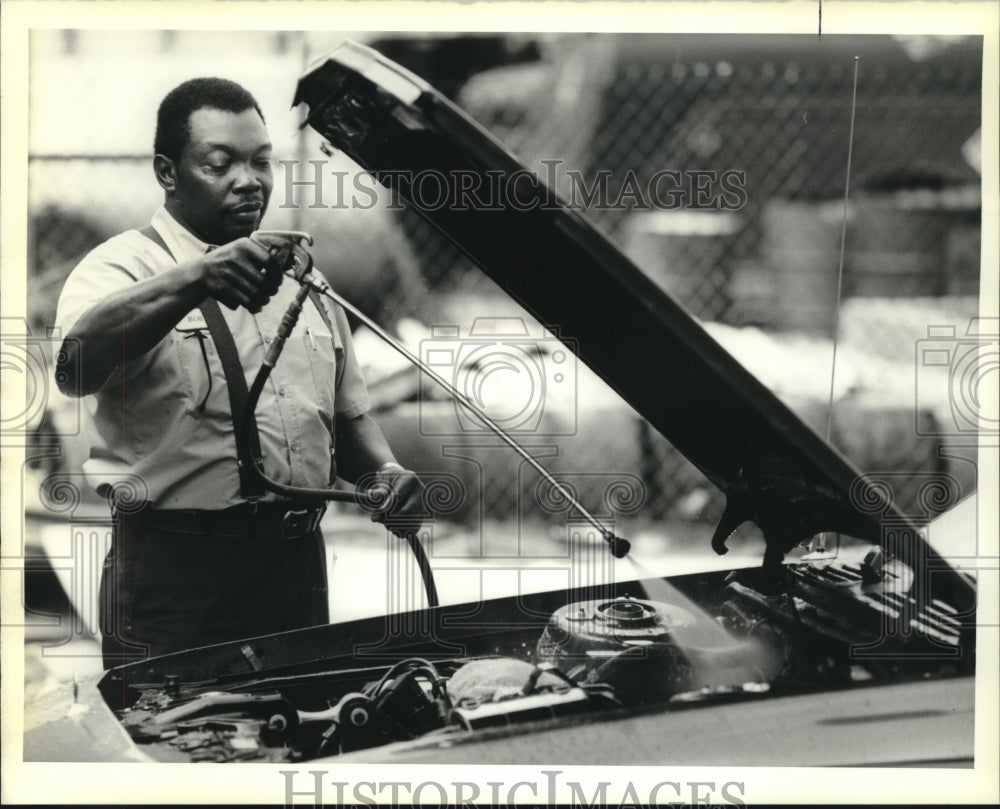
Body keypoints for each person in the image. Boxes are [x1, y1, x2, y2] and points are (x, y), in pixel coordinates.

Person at [54, 77, 424, 668]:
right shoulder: (123, 266)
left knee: (297, 735)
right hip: (176, 575)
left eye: (260, 162)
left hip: (293, 566)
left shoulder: (304, 280)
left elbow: (348, 417)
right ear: (168, 172)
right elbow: (75, 366)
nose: (247, 181)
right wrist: (197, 277)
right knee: (177, 744)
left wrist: (386, 472)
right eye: (219, 164)